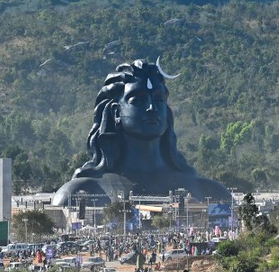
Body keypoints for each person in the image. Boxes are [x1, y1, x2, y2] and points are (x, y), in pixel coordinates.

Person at [52, 59, 231, 206]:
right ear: (116, 112)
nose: (151, 107)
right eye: (137, 100)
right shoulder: (79, 193)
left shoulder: (211, 192)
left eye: (159, 100)